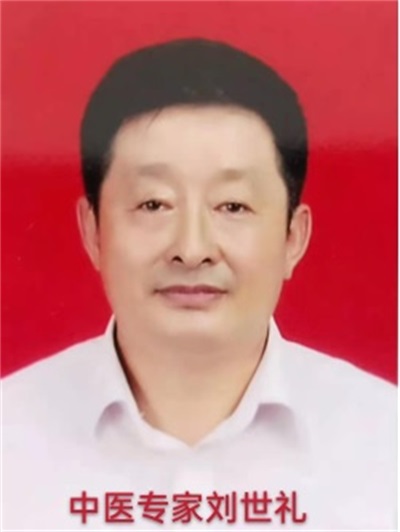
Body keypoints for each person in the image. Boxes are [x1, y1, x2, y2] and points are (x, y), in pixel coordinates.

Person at [2, 38, 396, 530]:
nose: (192, 249)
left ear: (293, 237)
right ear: (93, 231)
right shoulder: (10, 435)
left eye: (233, 206)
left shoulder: (384, 441)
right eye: (153, 204)